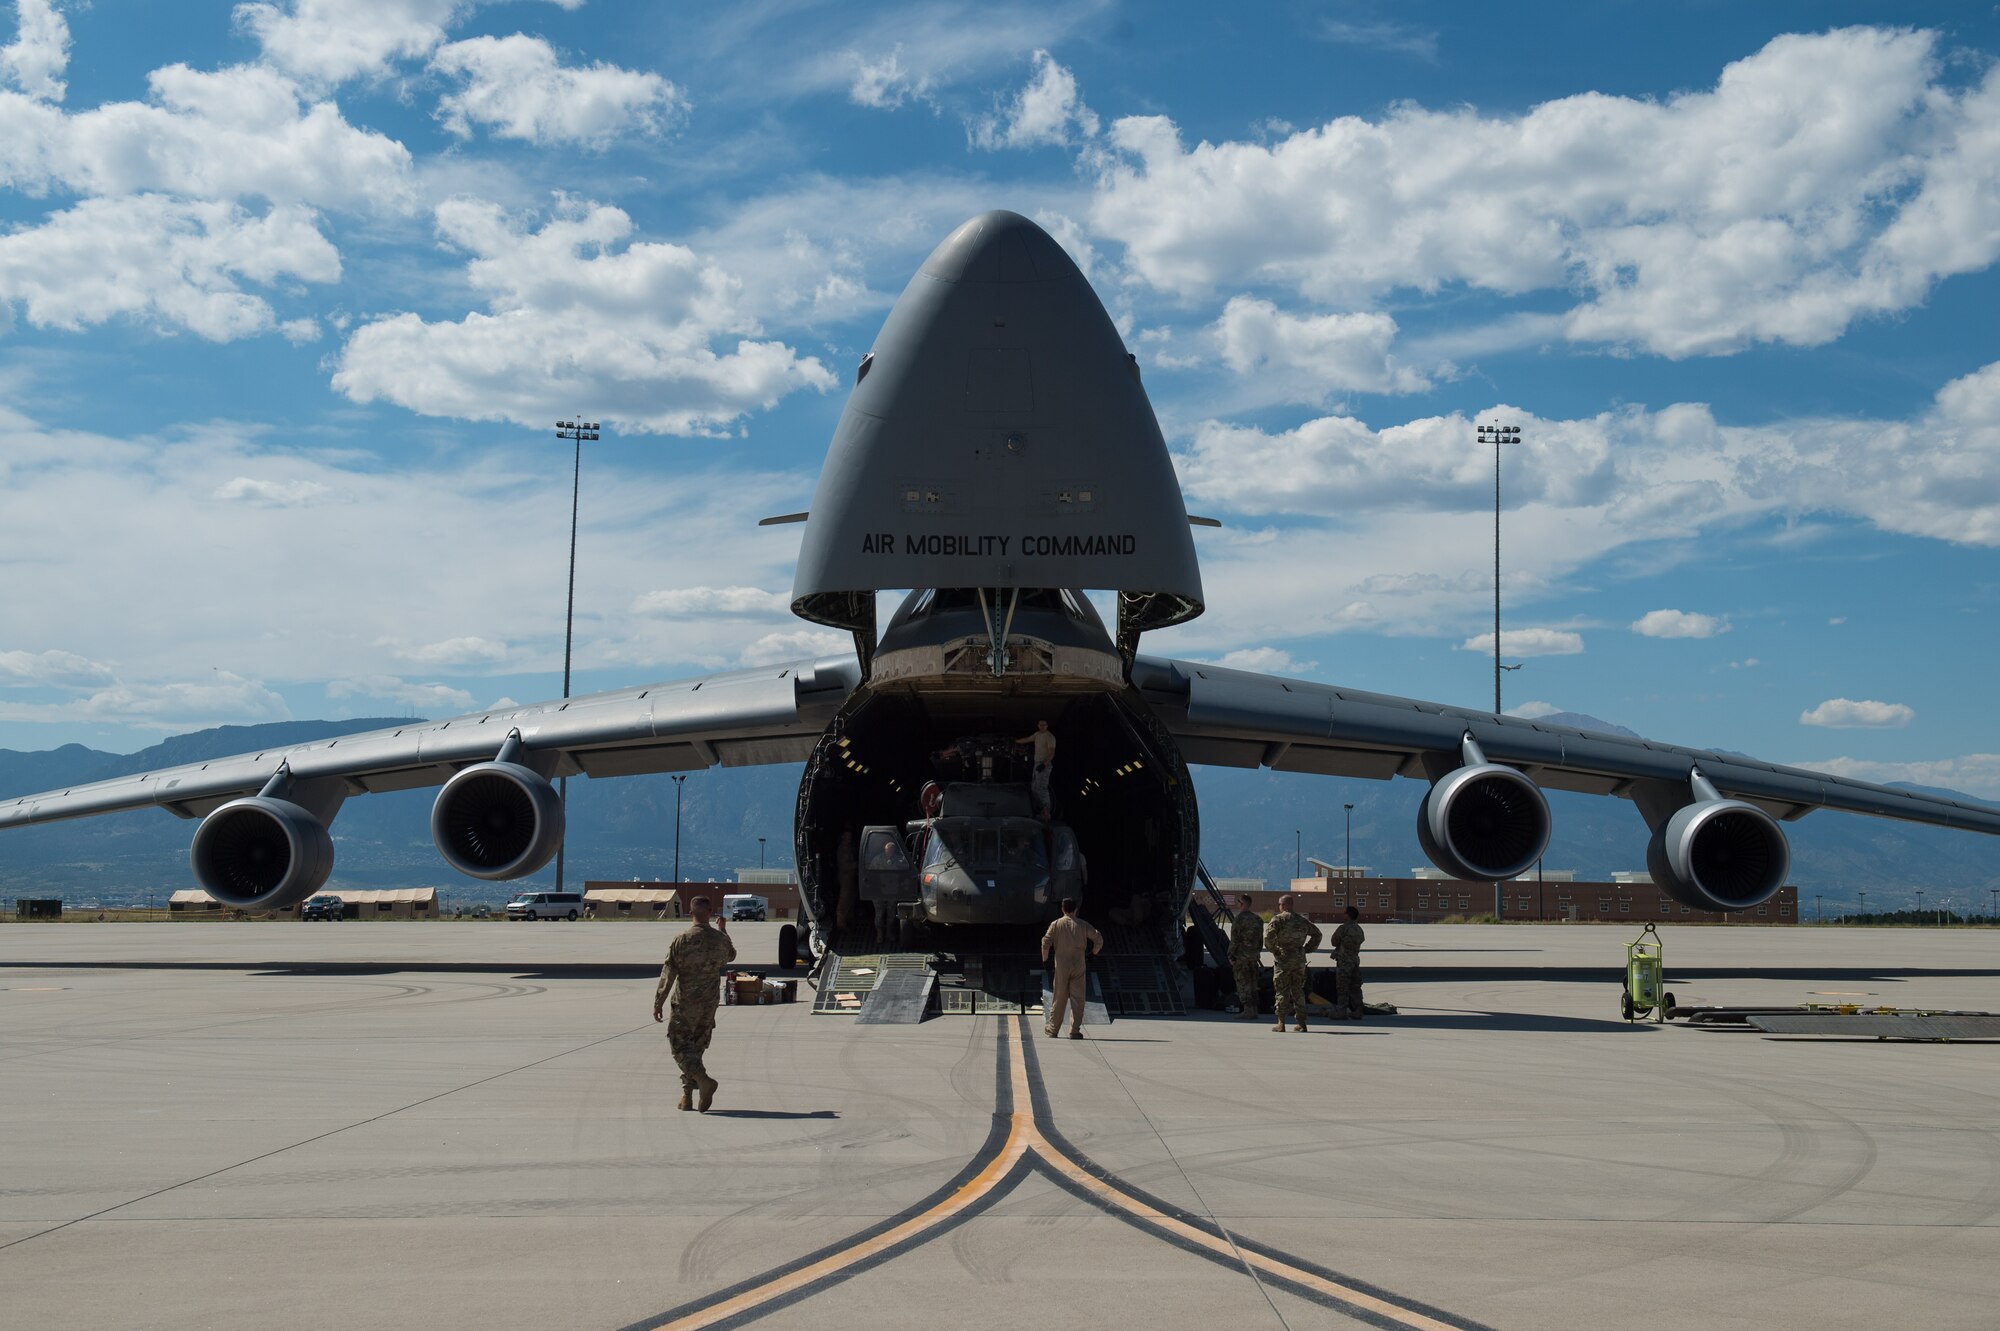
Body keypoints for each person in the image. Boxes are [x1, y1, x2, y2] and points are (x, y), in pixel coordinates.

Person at [652, 896, 736, 1112]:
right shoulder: (719, 939)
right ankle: (687, 1095)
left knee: (680, 1045)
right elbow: (731, 956)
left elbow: (669, 972)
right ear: (711, 912)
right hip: (709, 1003)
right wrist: (723, 930)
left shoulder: (682, 939)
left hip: (685, 1003)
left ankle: (703, 1080)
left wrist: (659, 1001)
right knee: (696, 1048)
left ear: (691, 914)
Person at [1041, 896, 1103, 1038]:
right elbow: (1098, 939)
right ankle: (1074, 1030)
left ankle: (1053, 1029)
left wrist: (1045, 961)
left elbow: (1045, 943)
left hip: (1061, 966)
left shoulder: (1056, 925)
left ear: (1062, 909)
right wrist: (1093, 954)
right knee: (1078, 998)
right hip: (1078, 965)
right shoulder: (1083, 925)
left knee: (1059, 997)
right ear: (1076, 909)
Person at [1263, 893, 1322, 1033]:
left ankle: (1281, 1023)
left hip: (1283, 959)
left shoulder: (1278, 919)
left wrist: (1275, 951)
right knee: (1298, 991)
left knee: (1282, 990)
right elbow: (1317, 934)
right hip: (1299, 960)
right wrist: (1307, 949)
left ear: (1283, 905)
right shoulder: (1302, 920)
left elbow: (1268, 937)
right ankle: (1302, 1023)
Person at [1227, 895, 1265, 1020]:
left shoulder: (1239, 919)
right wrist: (1255, 952)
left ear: (1242, 904)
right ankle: (1254, 1010)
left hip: (1241, 957)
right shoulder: (1257, 919)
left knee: (1243, 983)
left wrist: (1231, 955)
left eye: (1238, 902)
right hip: (1253, 956)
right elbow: (1260, 940)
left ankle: (1248, 1010)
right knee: (1253, 983)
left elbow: (1235, 940)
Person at [1330, 904, 1366, 1020]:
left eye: (1345, 913)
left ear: (1348, 915)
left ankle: (1342, 1011)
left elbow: (1334, 941)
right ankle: (1358, 1010)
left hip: (1344, 961)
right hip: (1355, 961)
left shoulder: (1343, 928)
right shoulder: (1359, 929)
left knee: (1342, 987)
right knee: (1355, 987)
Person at [1016, 720, 1056, 818]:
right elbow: (1028, 739)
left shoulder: (1050, 737)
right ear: (1038, 726)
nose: (1042, 727)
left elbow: (1051, 753)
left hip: (1044, 765)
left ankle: (1047, 811)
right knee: (1034, 787)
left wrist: (1044, 764)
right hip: (1037, 764)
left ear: (1047, 726)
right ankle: (1041, 809)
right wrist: (1016, 741)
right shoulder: (1037, 734)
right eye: (1040, 725)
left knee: (1041, 787)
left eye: (1044, 725)